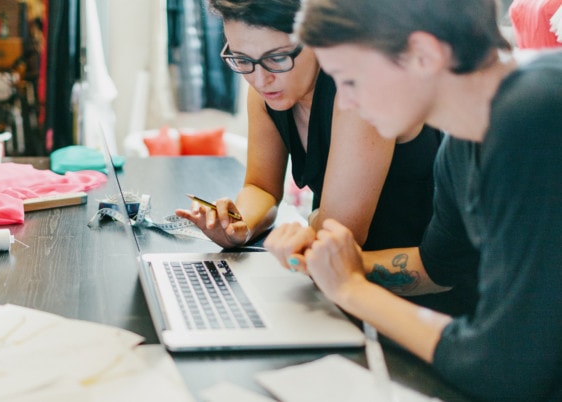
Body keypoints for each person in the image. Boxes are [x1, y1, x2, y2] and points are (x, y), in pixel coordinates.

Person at [268, 0, 562, 400]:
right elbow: (437, 266)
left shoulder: (533, 121)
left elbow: (505, 368)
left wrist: (353, 290)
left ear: (423, 55)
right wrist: (330, 263)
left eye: (351, 81)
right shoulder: (463, 141)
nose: (347, 104)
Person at [174, 0, 455, 304]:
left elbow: (340, 233)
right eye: (241, 59)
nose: (259, 79)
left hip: (413, 294)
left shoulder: (357, 91)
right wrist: (238, 226)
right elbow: (261, 187)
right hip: (334, 282)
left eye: (278, 58)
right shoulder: (266, 90)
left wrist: (314, 222)